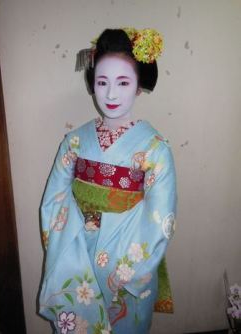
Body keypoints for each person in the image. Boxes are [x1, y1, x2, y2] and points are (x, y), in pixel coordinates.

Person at [38, 28, 177, 334]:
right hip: (77, 252)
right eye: (102, 82)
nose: (111, 94)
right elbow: (54, 201)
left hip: (127, 259)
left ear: (139, 84)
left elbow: (159, 218)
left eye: (123, 82)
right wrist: (70, 244)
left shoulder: (155, 148)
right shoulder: (74, 142)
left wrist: (125, 266)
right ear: (92, 84)